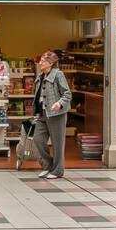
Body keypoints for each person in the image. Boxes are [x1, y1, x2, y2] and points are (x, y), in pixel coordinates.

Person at [32, 50, 71, 180]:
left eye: (43, 60)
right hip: (42, 113)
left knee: (57, 143)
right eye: (41, 60)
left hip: (56, 114)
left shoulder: (58, 75)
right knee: (37, 139)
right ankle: (48, 165)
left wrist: (59, 103)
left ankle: (57, 170)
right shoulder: (40, 75)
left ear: (51, 63)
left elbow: (67, 94)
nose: (40, 62)